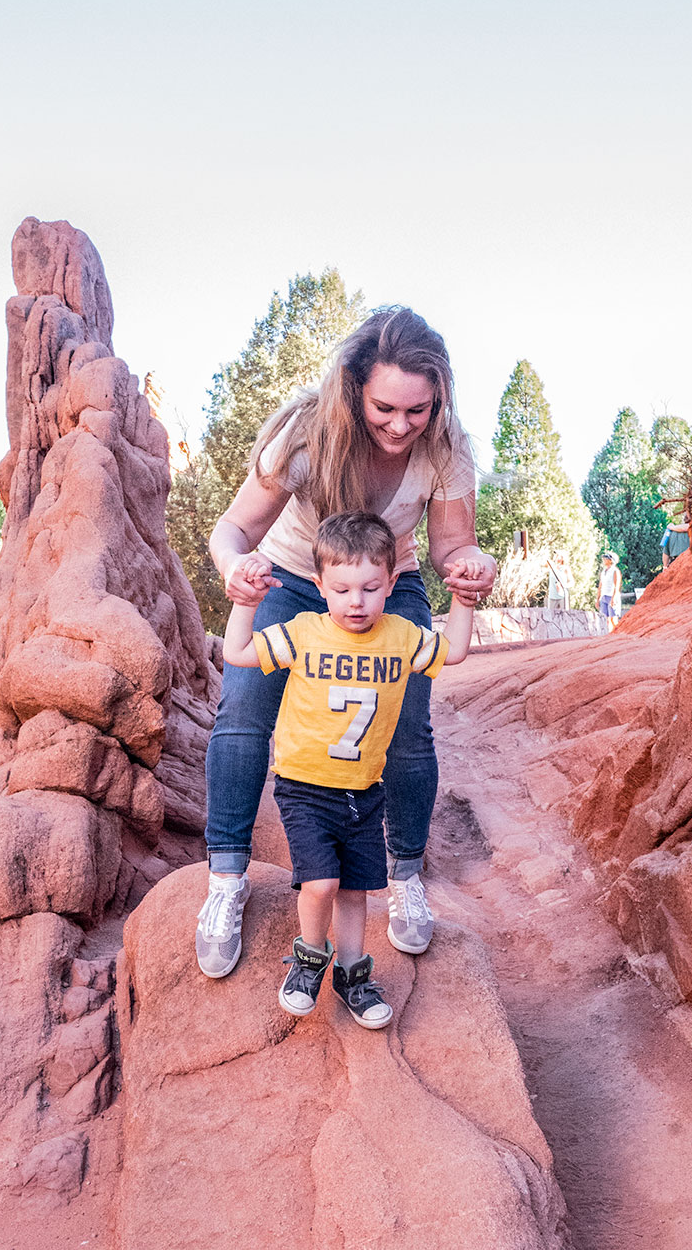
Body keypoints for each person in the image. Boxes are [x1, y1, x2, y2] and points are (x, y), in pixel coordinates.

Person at [196, 306, 496, 979]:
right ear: (356, 387)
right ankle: (225, 882)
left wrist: (472, 565)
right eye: (385, 407)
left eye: (418, 411)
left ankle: (407, 877)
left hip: (391, 584)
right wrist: (235, 574)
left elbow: (452, 544)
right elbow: (232, 530)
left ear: (438, 399)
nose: (400, 425)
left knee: (409, 725)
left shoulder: (446, 448)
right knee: (244, 712)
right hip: (293, 579)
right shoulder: (305, 433)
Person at [222, 511, 480, 1027]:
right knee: (321, 884)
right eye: (341, 589)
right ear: (319, 586)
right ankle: (308, 959)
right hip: (305, 786)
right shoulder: (303, 631)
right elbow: (238, 651)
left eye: (369, 588)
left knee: (357, 890)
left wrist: (463, 600)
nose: (356, 601)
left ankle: (353, 974)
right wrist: (246, 605)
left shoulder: (402, 635)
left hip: (364, 789)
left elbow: (453, 654)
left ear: (391, 584)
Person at [597, 550, 622, 631]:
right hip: (604, 596)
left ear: (611, 560)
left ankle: (617, 635)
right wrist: (598, 599)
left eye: (606, 558)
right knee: (605, 619)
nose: (604, 560)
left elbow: (616, 585)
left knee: (613, 619)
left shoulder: (615, 571)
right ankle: (608, 635)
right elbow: (600, 586)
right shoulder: (603, 572)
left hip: (611, 596)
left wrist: (613, 598)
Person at [546, 546, 572, 611]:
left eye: (558, 555)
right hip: (552, 596)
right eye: (556, 555)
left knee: (564, 615)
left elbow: (571, 582)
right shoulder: (551, 567)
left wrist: (564, 585)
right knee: (550, 616)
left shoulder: (565, 568)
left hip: (562, 596)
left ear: (562, 558)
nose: (556, 556)